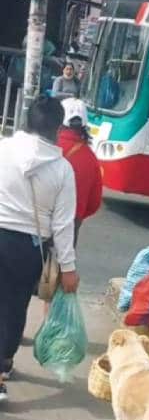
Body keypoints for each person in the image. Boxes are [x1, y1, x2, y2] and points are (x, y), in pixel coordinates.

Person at [0, 95, 80, 400]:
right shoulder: (62, 169)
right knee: (13, 309)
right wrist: (69, 269)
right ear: (57, 129)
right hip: (26, 249)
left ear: (26, 121)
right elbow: (63, 225)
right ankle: (3, 366)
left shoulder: (3, 148)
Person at [57, 98, 102, 245]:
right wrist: (79, 214)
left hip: (39, 223)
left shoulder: (48, 147)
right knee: (62, 266)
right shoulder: (91, 158)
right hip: (71, 226)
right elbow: (94, 203)